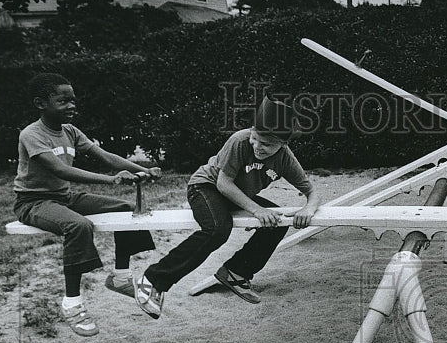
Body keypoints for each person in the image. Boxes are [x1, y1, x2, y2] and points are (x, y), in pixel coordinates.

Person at [134, 94, 322, 318]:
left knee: (277, 223)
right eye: (255, 138)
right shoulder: (240, 141)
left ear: (283, 144)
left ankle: (236, 272)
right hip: (206, 187)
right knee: (217, 229)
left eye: (267, 144)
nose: (258, 147)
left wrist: (308, 209)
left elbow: (312, 191)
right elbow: (223, 183)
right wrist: (257, 210)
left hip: (235, 195)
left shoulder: (284, 158)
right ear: (251, 131)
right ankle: (153, 279)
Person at [13, 72, 159, 337]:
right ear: (40, 104)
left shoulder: (70, 131)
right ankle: (72, 303)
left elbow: (105, 156)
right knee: (78, 225)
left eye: (73, 100)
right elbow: (61, 170)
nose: (71, 106)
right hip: (33, 202)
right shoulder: (32, 135)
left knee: (124, 210)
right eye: (63, 101)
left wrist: (144, 170)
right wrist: (111, 180)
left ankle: (121, 278)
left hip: (64, 198)